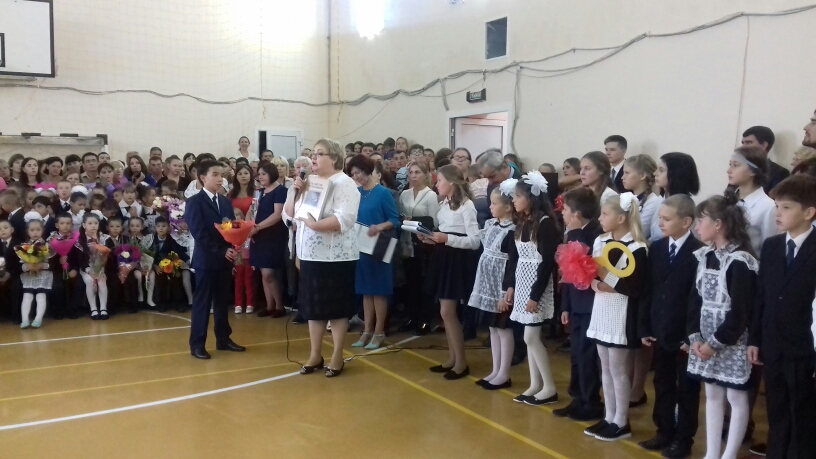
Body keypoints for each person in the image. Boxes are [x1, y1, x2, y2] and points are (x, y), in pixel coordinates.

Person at [747, 175, 816, 459]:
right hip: (773, 344)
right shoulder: (773, 246)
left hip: (804, 348)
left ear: (809, 212)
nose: (778, 213)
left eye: (786, 208)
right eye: (777, 206)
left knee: (803, 413)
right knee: (776, 410)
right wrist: (755, 339)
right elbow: (761, 296)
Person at [687, 193, 758, 459]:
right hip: (705, 338)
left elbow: (740, 312)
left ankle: (729, 455)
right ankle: (712, 453)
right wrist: (695, 337)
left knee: (736, 398)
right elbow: (694, 301)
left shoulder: (741, 261)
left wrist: (714, 343)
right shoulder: (704, 256)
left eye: (701, 220)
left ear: (718, 224)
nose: (697, 226)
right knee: (713, 395)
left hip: (731, 340)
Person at [283, 139, 359, 377]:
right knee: (312, 308)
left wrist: (316, 226)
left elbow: (345, 218)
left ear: (334, 158)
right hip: (309, 255)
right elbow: (290, 214)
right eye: (313, 154)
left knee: (335, 309)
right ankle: (315, 354)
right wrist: (295, 191)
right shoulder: (310, 182)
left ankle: (337, 355)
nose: (313, 158)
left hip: (335, 257)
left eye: (319, 154)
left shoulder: (344, 183)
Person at [637, 195, 704, 458]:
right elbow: (648, 290)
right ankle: (664, 430)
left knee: (687, 387)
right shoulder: (657, 248)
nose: (660, 223)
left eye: (666, 219)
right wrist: (645, 326)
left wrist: (692, 335)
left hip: (685, 334)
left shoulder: (699, 252)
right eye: (659, 218)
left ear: (686, 222)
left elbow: (697, 299)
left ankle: (683, 438)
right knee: (662, 381)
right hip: (660, 328)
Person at [584, 193, 648, 442]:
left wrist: (603, 279)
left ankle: (622, 421)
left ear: (621, 218)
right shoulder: (600, 240)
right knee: (605, 366)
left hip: (622, 312)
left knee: (618, 368)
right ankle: (609, 416)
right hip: (602, 306)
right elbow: (595, 275)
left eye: (605, 214)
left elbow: (630, 287)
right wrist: (596, 281)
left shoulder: (637, 248)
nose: (600, 218)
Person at [503, 171, 559, 405]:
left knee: (531, 337)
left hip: (537, 287)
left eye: (518, 196)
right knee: (529, 338)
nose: (513, 200)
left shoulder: (545, 224)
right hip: (523, 284)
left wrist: (535, 295)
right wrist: (511, 286)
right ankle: (535, 384)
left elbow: (546, 264)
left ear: (531, 198)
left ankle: (550, 387)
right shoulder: (523, 222)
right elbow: (515, 258)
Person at [420, 165, 479, 379]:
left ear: (451, 183)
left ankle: (461, 362)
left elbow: (474, 241)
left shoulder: (467, 205)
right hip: (444, 256)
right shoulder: (444, 203)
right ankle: (453, 358)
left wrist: (447, 239)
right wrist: (430, 238)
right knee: (445, 311)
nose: (436, 185)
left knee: (447, 311)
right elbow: (444, 231)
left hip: (456, 260)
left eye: (440, 181)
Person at [552, 188, 604, 421]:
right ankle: (577, 397)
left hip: (591, 303)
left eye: (565, 210)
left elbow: (585, 270)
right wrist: (565, 305)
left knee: (587, 354)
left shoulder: (595, 235)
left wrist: (574, 234)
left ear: (577, 214)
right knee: (576, 353)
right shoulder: (573, 233)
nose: (562, 213)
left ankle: (591, 401)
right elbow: (567, 275)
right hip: (575, 302)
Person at [185, 159, 245, 360]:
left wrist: (234, 246)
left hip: (224, 259)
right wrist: (221, 251)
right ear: (203, 178)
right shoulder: (194, 202)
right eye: (215, 175)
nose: (220, 179)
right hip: (206, 259)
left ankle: (223, 339)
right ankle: (197, 344)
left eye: (222, 175)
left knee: (222, 301)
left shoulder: (225, 201)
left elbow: (230, 229)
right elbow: (199, 233)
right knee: (203, 302)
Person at [345, 155, 400, 350]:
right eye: (353, 174)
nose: (356, 177)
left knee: (379, 292)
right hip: (360, 248)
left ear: (368, 170)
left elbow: (395, 220)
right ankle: (367, 330)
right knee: (366, 292)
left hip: (378, 248)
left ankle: (379, 331)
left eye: (358, 172)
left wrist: (379, 227)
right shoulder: (356, 193)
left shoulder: (383, 193)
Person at [470, 184, 516, 389]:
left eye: (494, 203)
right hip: (488, 286)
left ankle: (504, 373)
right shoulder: (491, 224)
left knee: (503, 329)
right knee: (493, 328)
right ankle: (495, 370)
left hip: (502, 288)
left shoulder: (513, 231)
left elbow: (512, 264)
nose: (490, 207)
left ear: (508, 207)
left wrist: (504, 292)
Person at [398, 161, 440, 335]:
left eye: (417, 172)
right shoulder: (405, 194)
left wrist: (414, 220)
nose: (413, 176)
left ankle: (425, 319)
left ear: (425, 175)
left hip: (424, 243)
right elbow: (401, 215)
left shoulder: (430, 195)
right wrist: (404, 219)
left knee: (424, 282)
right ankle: (412, 317)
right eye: (411, 172)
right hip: (407, 242)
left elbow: (434, 221)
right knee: (411, 282)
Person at [248, 162, 288, 318]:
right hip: (258, 235)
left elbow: (277, 215)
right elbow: (251, 210)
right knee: (263, 271)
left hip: (273, 236)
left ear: (272, 174)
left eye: (263, 174)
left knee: (269, 273)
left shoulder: (281, 191)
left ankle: (280, 306)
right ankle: (269, 305)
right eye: (259, 174)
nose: (260, 177)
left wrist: (257, 227)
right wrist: (248, 225)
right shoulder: (259, 192)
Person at [729, 146, 778, 254]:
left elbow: (770, 248)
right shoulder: (729, 199)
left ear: (753, 171)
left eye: (736, 165)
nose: (729, 170)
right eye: (730, 164)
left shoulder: (768, 207)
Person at [68, 212, 114, 320]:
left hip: (101, 268)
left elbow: (110, 257)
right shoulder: (79, 241)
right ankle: (93, 309)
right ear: (84, 225)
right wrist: (89, 271)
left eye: (95, 223)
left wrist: (102, 270)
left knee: (102, 281)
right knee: (89, 281)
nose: (93, 226)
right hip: (86, 268)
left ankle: (103, 308)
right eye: (90, 223)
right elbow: (80, 260)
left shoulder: (105, 238)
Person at [18, 214, 54, 329]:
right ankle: (24, 319)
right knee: (27, 295)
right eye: (32, 230)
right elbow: (20, 262)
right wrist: (27, 266)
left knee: (41, 295)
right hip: (29, 274)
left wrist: (42, 265)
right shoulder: (23, 246)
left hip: (44, 274)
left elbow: (52, 263)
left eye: (38, 230)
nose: (35, 232)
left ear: (42, 231)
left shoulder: (47, 246)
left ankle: (38, 318)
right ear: (27, 231)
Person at [622, 155, 662, 242]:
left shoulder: (653, 202)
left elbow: (640, 232)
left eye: (627, 173)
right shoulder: (626, 198)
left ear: (643, 175)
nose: (622, 177)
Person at [741, 126, 789, 193]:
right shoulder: (739, 168)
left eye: (748, 142)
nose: (743, 147)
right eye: (743, 143)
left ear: (764, 145)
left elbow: (775, 198)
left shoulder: (779, 173)